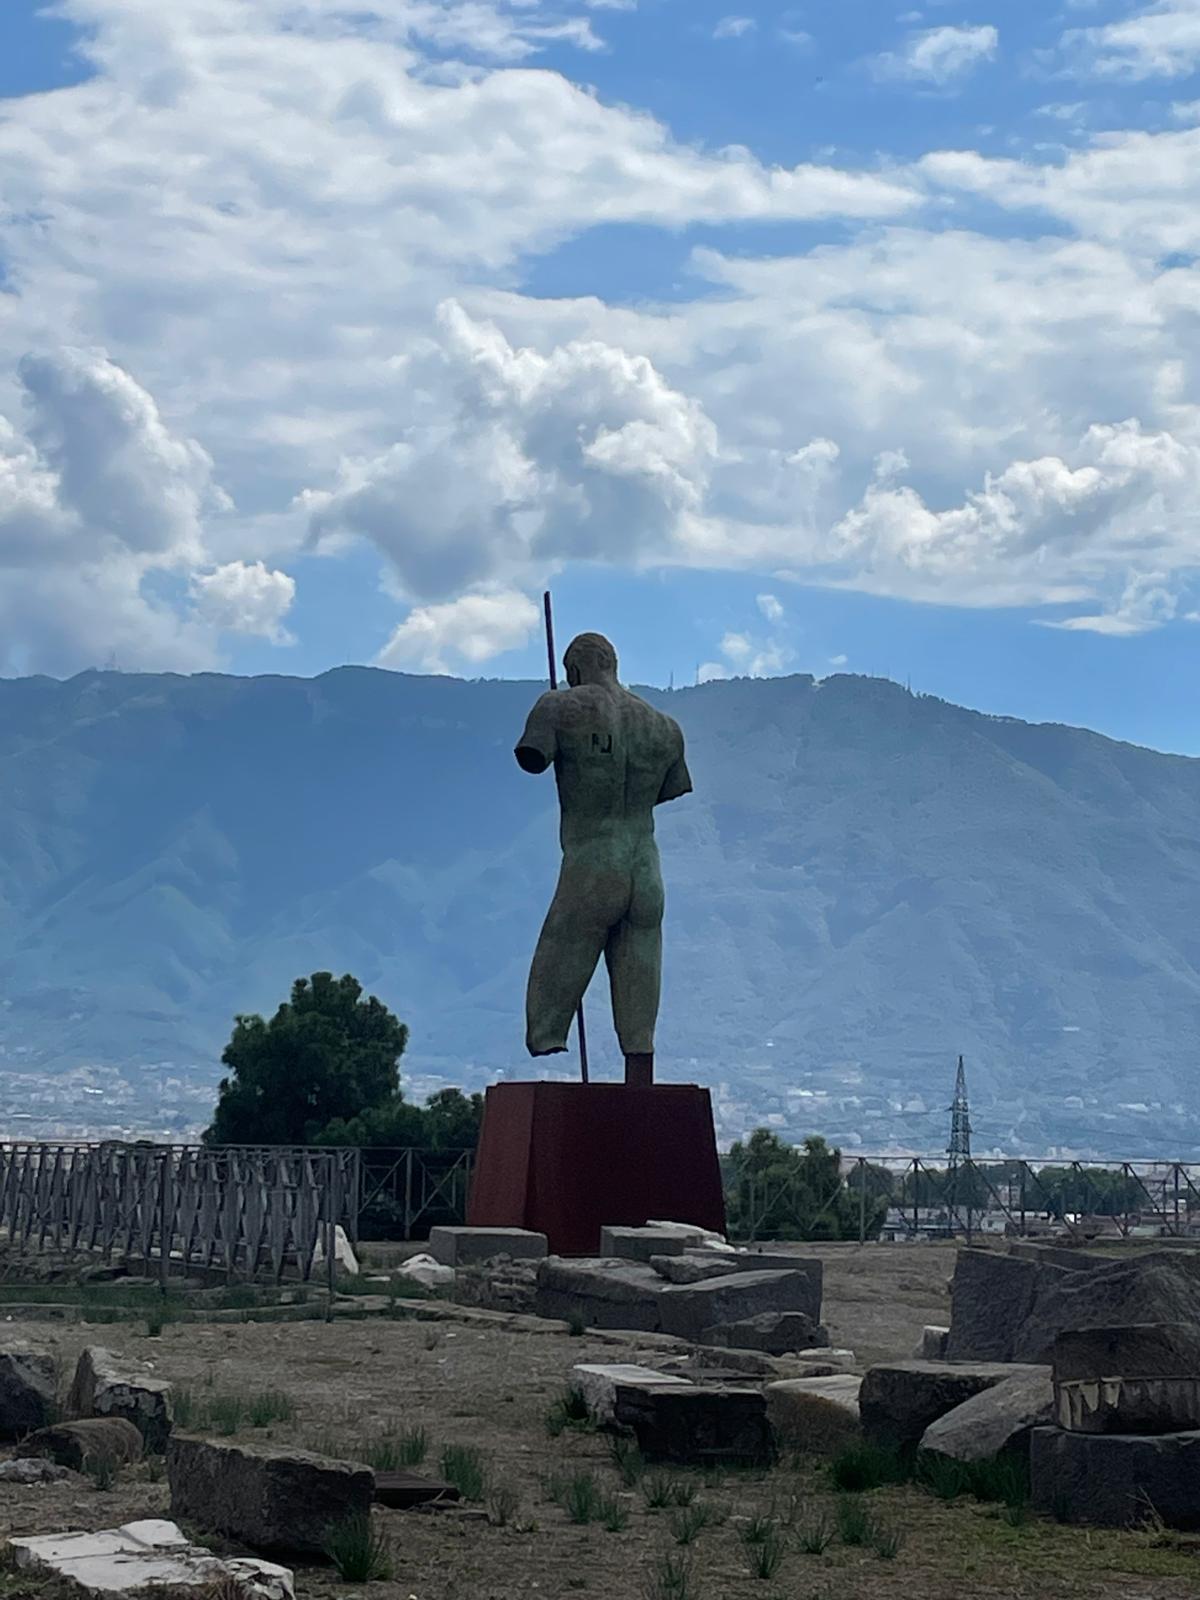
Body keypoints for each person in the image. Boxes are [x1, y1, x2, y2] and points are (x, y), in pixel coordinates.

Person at [514, 631, 692, 1087]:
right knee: (642, 964)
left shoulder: (559, 706)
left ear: (574, 670)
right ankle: (639, 1059)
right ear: (613, 663)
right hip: (645, 867)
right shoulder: (664, 727)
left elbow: (533, 756)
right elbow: (670, 790)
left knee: (562, 948)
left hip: (594, 862)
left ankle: (547, 1034)